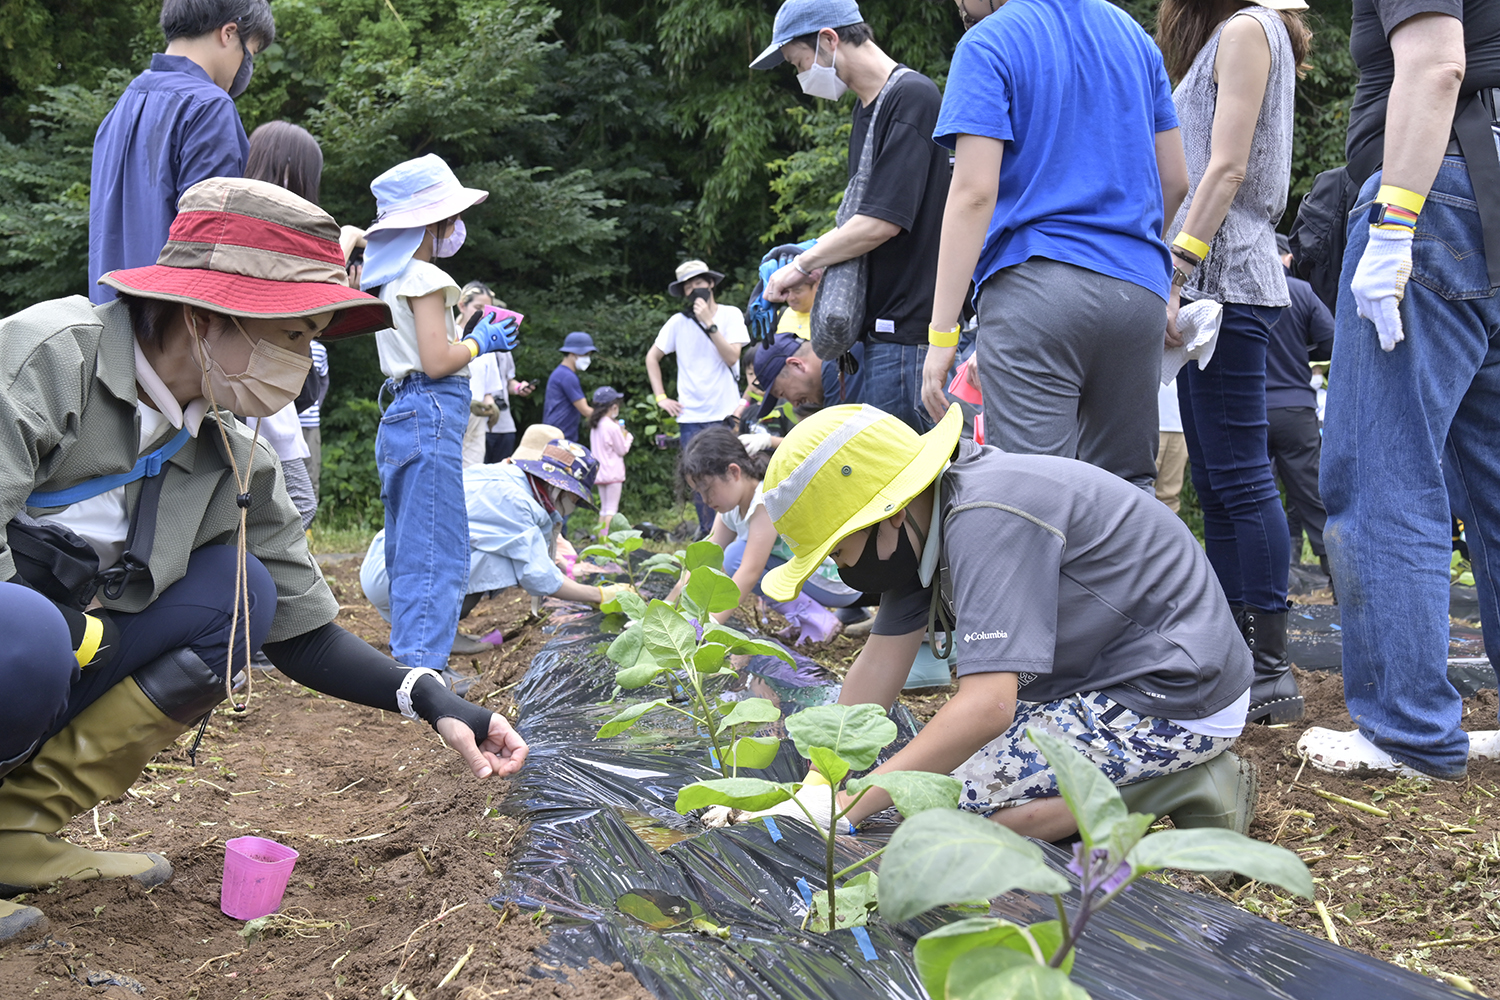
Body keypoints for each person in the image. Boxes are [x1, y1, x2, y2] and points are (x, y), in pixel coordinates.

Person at [0, 178, 526, 942]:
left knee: (240, 590)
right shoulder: (51, 359)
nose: (305, 363)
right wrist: (51, 633)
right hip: (20, 643)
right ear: (203, 313)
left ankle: (17, 829)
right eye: (290, 333)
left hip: (53, 654)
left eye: (311, 337)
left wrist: (435, 700)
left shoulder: (230, 446)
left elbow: (302, 631)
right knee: (26, 635)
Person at [711, 403, 1253, 839]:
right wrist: (819, 783)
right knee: (921, 783)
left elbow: (987, 707)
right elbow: (876, 671)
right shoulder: (922, 527)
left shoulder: (982, 519)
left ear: (887, 513)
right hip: (1105, 676)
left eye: (838, 547)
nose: (841, 567)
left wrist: (844, 811)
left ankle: (1177, 784)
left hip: (1174, 691)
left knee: (949, 815)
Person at [1298, 1, 1500, 778]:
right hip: (1489, 200)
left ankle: (1406, 733)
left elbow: (1436, 62)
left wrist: (1394, 224)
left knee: (1384, 470)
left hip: (1434, 198)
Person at [916, 0, 1188, 494]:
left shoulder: (989, 42)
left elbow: (975, 193)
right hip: (1139, 292)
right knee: (1127, 495)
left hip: (1036, 288)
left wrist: (942, 336)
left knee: (1033, 496)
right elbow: (1175, 180)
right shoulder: (1135, 40)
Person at [1158, 0, 1311, 726]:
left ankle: (1270, 666)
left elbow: (1228, 166)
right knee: (1218, 483)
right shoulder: (1231, 33)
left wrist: (1176, 270)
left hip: (1228, 285)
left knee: (1243, 476)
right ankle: (1234, 654)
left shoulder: (1250, 28)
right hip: (1213, 290)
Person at [754, 1, 951, 434]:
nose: (802, 76)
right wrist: (815, 259)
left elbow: (882, 223)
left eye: (799, 63)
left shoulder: (911, 97)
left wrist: (801, 265)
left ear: (828, 39)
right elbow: (863, 222)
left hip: (907, 338)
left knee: (905, 493)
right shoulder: (868, 109)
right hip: (877, 337)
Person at [360, 154, 518, 689]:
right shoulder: (426, 275)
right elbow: (436, 360)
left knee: (410, 544)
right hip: (430, 409)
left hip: (404, 413)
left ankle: (412, 659)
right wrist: (479, 341)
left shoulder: (389, 276)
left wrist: (464, 335)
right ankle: (425, 672)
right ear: (434, 222)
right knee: (438, 547)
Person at [89, 0, 273, 302]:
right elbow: (209, 247)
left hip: (109, 325)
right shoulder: (210, 107)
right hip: (171, 332)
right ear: (228, 33)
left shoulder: (121, 107)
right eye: (249, 53)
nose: (245, 69)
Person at [361, 442, 627, 641]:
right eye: (576, 500)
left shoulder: (507, 477)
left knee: (508, 554)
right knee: (510, 562)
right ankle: (431, 640)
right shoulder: (517, 502)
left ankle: (432, 632)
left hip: (390, 563)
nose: (574, 506)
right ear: (560, 488)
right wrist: (599, 595)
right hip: (398, 579)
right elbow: (538, 576)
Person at [670, 426, 857, 643]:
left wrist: (708, 627)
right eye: (699, 492)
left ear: (734, 472)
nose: (705, 499)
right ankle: (806, 619)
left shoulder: (765, 500)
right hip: (813, 579)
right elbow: (702, 562)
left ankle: (818, 620)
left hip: (836, 581)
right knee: (731, 554)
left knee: (735, 556)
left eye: (707, 489)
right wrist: (666, 608)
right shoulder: (728, 508)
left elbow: (750, 572)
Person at [242, 120, 328, 526]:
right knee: (296, 506)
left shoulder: (234, 224)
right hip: (260, 387)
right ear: (293, 173)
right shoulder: (276, 236)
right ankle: (246, 585)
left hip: (255, 387)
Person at [647, 260, 752, 535]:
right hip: (690, 416)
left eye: (699, 283)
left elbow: (732, 356)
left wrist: (708, 322)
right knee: (698, 479)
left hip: (726, 413)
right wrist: (661, 397)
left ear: (711, 284)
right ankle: (708, 533)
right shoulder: (677, 323)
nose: (694, 290)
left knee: (731, 473)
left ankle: (739, 532)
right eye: (688, 286)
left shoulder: (730, 315)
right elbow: (652, 358)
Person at [1267, 233, 1334, 575]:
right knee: (1313, 498)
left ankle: (1259, 584)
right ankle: (1337, 583)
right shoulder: (1301, 292)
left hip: (1248, 410)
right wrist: (1301, 351)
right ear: (1288, 258)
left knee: (1252, 496)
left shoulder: (1236, 291)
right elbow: (1331, 340)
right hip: (1295, 408)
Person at [458, 284, 505, 469]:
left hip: (477, 420)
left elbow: (488, 388)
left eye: (487, 310)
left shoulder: (487, 342)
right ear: (462, 306)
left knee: (473, 470)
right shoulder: (449, 333)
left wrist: (490, 404)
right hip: (451, 413)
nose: (482, 314)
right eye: (478, 308)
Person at [587, 387, 632, 533]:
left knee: (604, 509)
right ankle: (607, 543)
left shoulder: (595, 425)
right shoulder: (612, 427)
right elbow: (622, 450)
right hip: (613, 473)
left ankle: (600, 540)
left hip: (599, 473)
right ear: (613, 407)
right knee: (612, 510)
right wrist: (627, 435)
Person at [542, 332, 597, 442]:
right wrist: (607, 418)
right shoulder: (567, 376)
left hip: (554, 433)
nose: (588, 359)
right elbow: (585, 410)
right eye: (585, 354)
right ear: (572, 354)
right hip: (561, 436)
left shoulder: (560, 373)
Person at [1156, 379, 1189, 512]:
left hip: (1180, 427)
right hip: (1150, 426)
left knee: (1170, 495)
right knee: (1139, 488)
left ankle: (1167, 532)